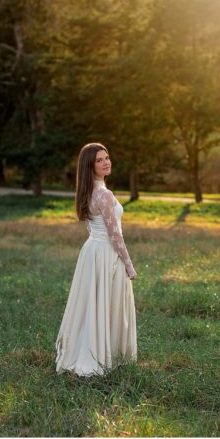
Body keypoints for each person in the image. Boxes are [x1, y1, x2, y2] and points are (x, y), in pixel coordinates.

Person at [55, 143, 137, 377]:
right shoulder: (104, 194)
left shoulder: (88, 191)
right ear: (90, 166)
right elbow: (115, 235)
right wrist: (129, 265)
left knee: (93, 304)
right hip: (106, 253)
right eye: (99, 160)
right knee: (107, 304)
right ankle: (102, 357)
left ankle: (94, 350)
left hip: (92, 251)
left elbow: (95, 228)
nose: (106, 162)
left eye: (107, 157)